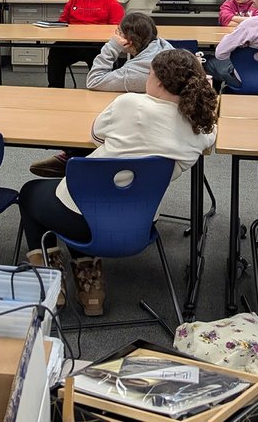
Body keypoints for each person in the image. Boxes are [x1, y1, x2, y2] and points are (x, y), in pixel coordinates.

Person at [19, 50, 217, 317]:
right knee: (88, 200)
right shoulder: (198, 129)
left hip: (80, 216)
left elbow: (95, 134)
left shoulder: (129, 104)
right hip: (138, 223)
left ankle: (52, 284)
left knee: (32, 192)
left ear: (158, 81)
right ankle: (91, 289)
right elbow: (210, 133)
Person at [29, 12, 174, 177]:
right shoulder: (161, 45)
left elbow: (94, 81)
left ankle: (77, 160)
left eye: (118, 32)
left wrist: (112, 46)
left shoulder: (138, 72)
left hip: (148, 130)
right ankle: (75, 156)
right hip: (160, 119)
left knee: (92, 115)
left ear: (129, 41)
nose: (115, 34)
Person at [45, 0, 125, 89]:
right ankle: (55, 88)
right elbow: (63, 21)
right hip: (73, 43)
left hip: (96, 45)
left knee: (101, 58)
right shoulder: (74, 1)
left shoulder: (111, 3)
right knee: (56, 51)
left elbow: (116, 28)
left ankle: (100, 89)